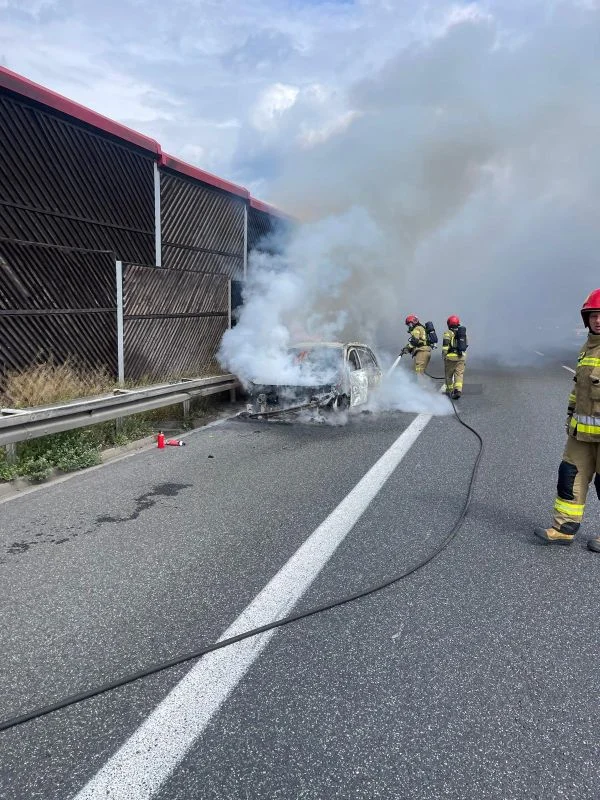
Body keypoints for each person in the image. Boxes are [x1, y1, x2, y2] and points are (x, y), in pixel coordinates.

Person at [535, 289, 600, 551]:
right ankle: (564, 528)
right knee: (569, 476)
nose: (598, 320)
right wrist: (570, 417)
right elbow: (579, 388)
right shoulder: (587, 348)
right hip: (580, 434)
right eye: (593, 315)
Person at [442, 315, 466, 399]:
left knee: (449, 375)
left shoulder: (448, 333)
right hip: (461, 357)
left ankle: (449, 391)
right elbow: (466, 345)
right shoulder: (462, 333)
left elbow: (445, 346)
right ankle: (458, 390)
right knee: (459, 374)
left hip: (451, 357)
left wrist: (444, 355)